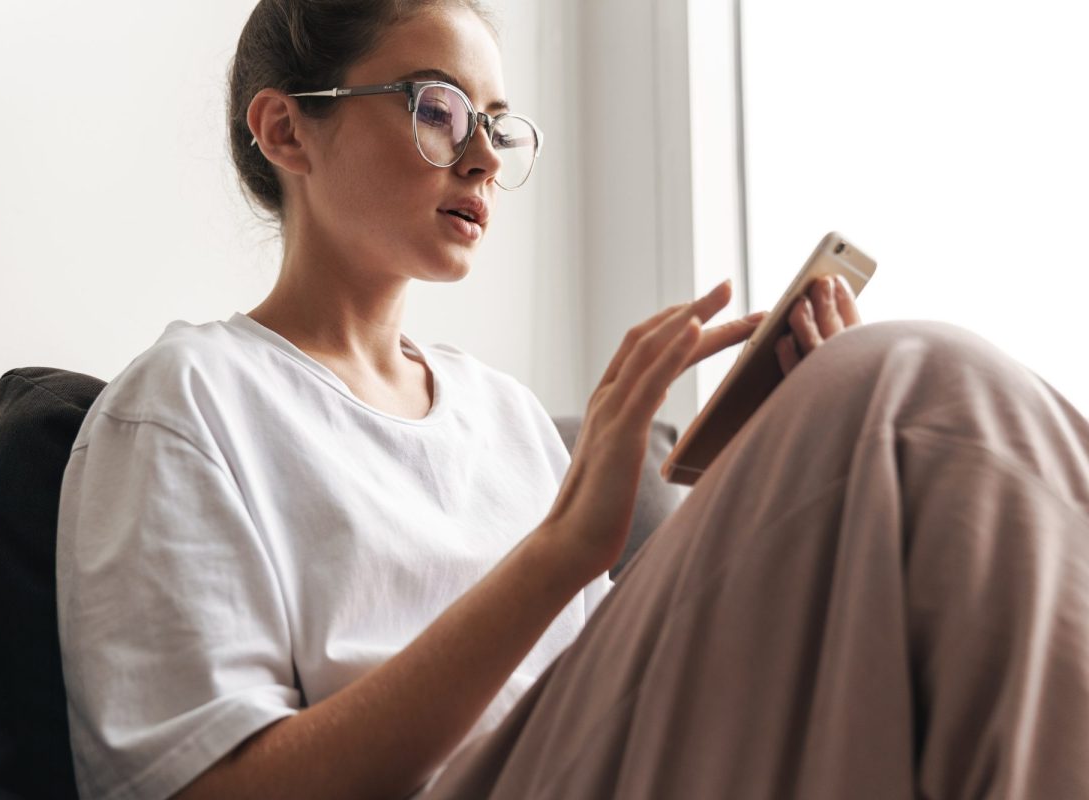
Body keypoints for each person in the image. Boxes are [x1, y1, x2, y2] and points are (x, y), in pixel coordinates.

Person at [54, 1, 1089, 798]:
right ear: (287, 131)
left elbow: (617, 697)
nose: (480, 158)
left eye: (497, 126)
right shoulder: (188, 404)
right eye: (437, 108)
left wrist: (771, 513)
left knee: (923, 459)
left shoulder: (504, 418)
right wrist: (558, 554)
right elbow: (205, 786)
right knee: (910, 387)